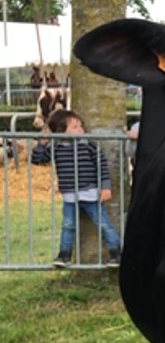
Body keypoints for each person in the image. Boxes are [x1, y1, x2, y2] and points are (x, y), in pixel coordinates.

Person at [30, 109, 122, 268]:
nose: (80, 130)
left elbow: (102, 166)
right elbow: (38, 159)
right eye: (75, 127)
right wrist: (42, 142)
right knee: (68, 225)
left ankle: (116, 252)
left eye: (81, 126)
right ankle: (64, 255)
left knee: (103, 223)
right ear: (60, 131)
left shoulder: (89, 145)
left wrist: (105, 187)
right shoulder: (56, 146)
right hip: (69, 196)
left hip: (91, 193)